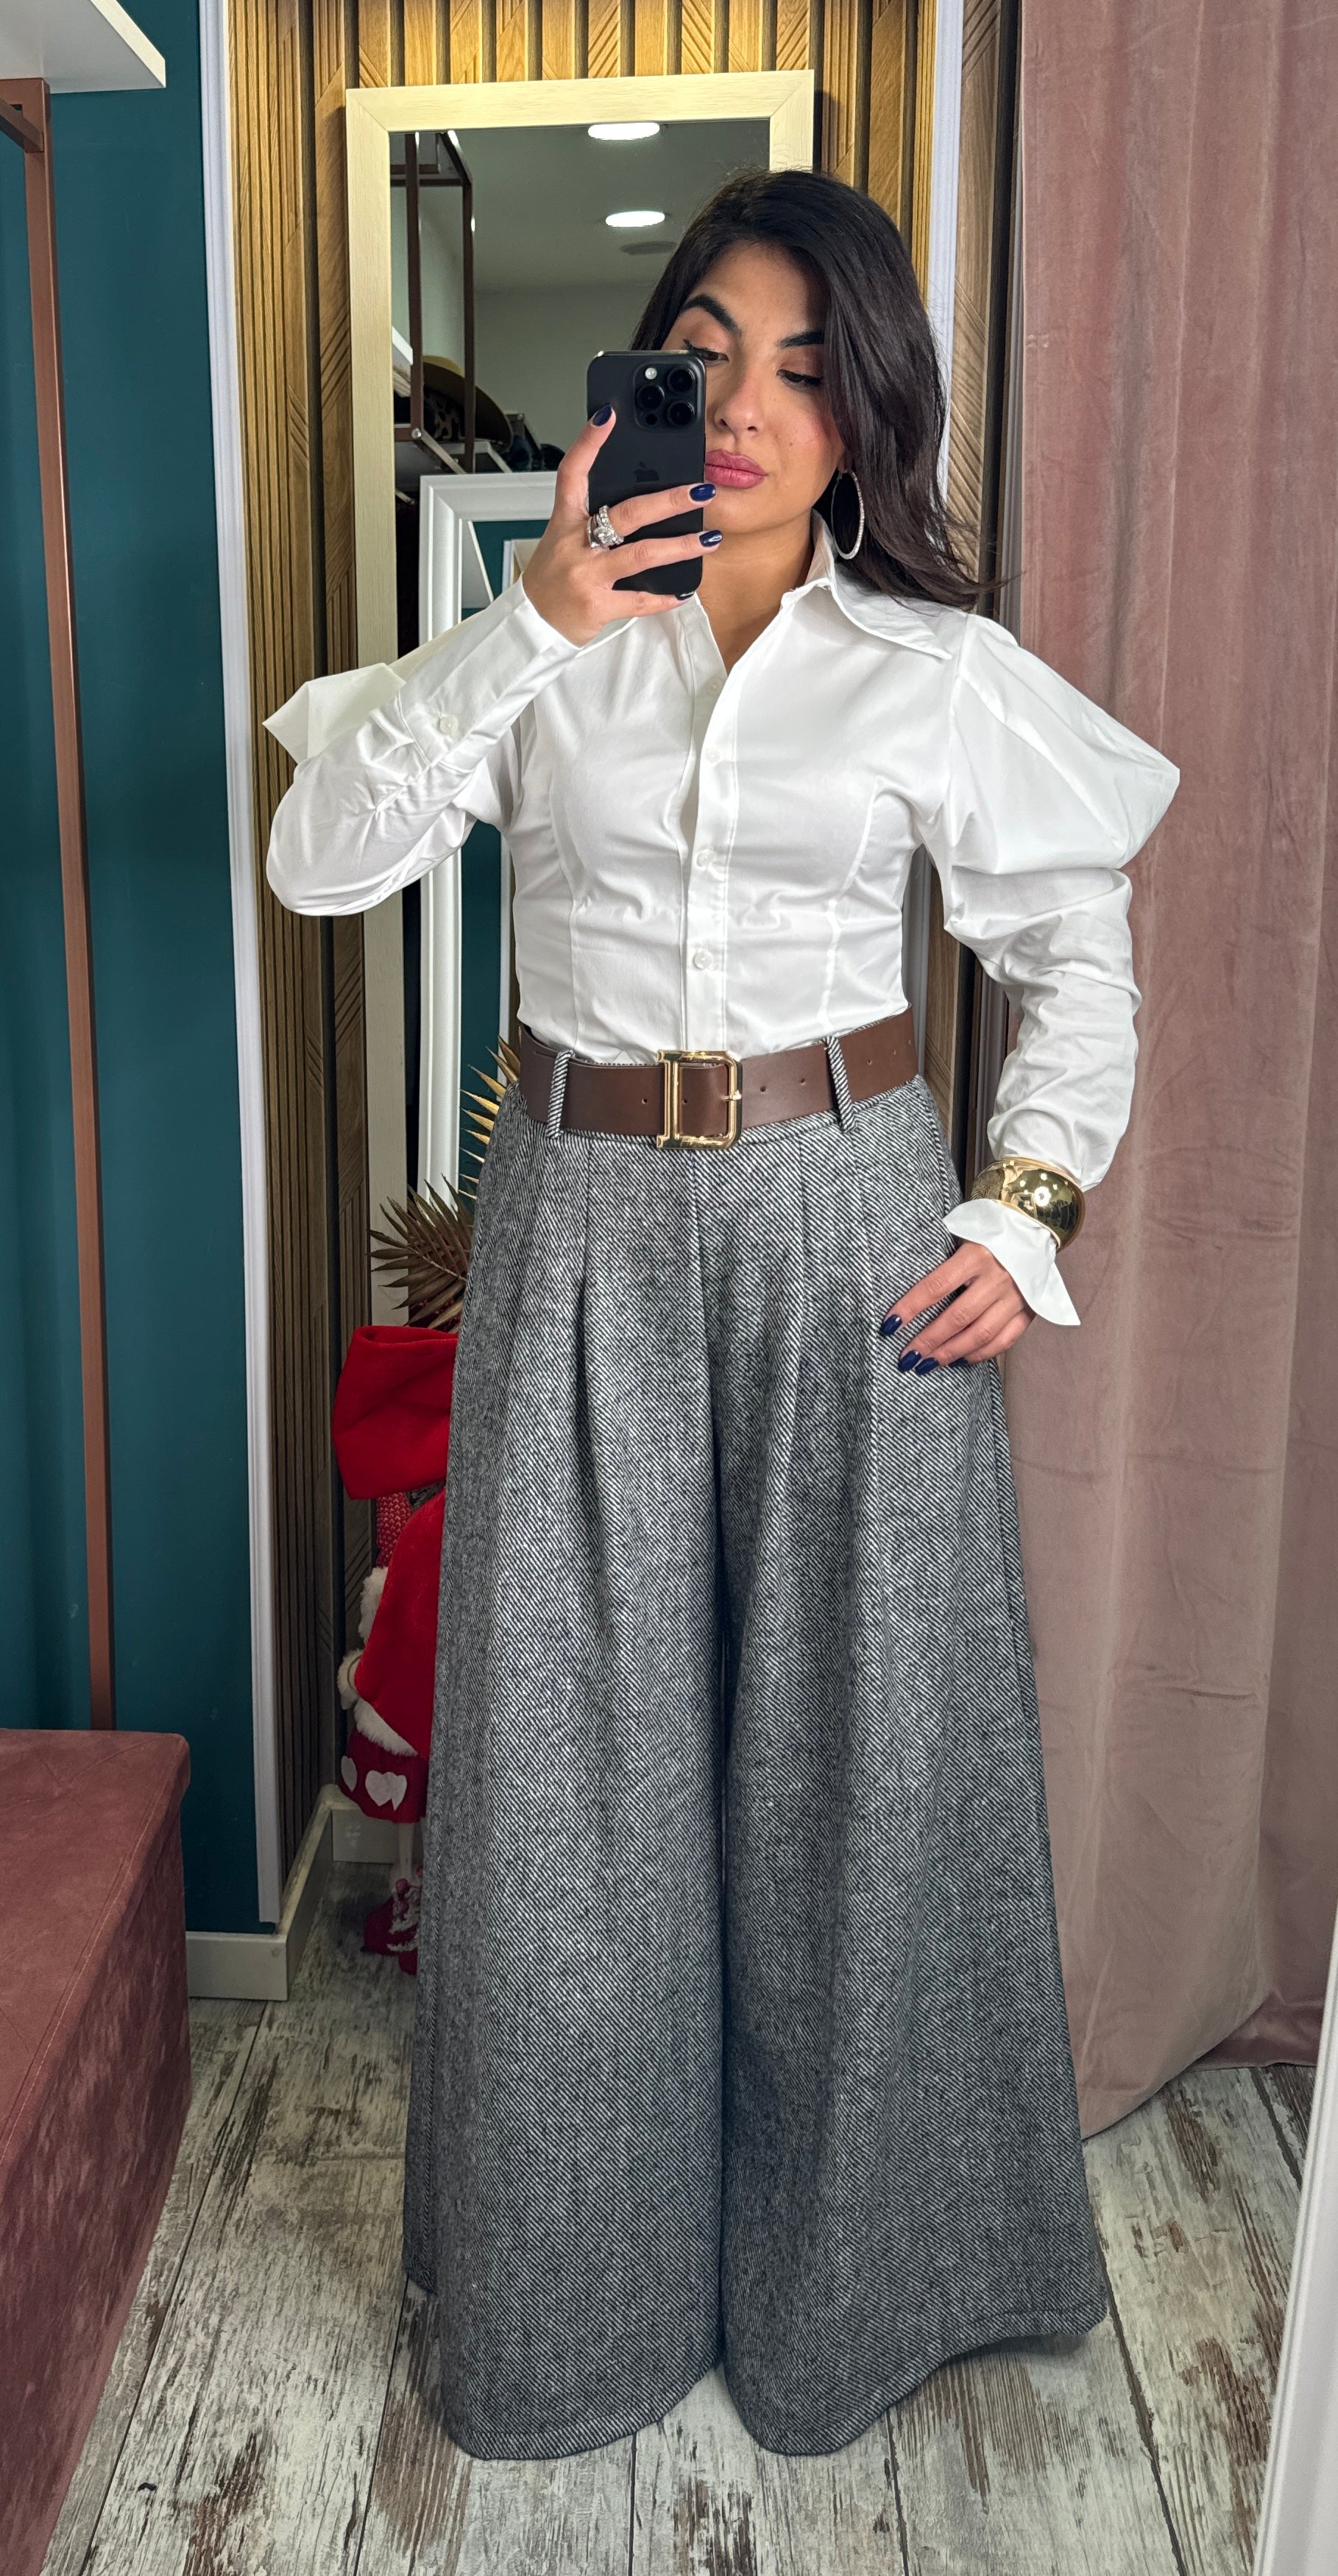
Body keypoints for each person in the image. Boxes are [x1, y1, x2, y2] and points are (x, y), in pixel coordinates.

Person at [264, 166, 1179, 2463]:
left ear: (866, 410)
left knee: (859, 1761)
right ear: (642, 378)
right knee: (567, 1771)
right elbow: (320, 860)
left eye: (803, 365)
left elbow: (1073, 960)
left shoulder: (929, 672)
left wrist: (1022, 1211)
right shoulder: (544, 635)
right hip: (575, 1212)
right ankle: (567, 2317)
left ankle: (848, 2294)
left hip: (848, 1206)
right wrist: (531, 618)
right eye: (706, 355)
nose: (749, 406)